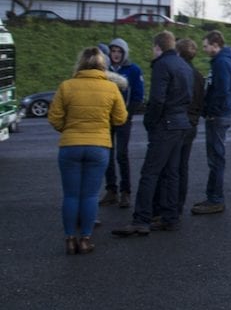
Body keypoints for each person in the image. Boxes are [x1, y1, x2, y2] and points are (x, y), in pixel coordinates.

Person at [49, 47, 128, 254]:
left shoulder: (66, 86)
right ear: (102, 64)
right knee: (91, 195)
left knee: (71, 195)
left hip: (70, 146)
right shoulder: (111, 88)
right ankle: (85, 239)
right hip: (99, 146)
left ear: (80, 63)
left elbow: (54, 117)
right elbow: (121, 118)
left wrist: (67, 129)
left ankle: (69, 239)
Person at [112, 31, 192, 236]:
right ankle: (170, 217)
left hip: (165, 124)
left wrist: (150, 121)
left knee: (150, 173)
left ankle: (141, 219)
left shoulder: (161, 65)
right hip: (181, 123)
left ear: (158, 47)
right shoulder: (184, 65)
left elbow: (157, 99)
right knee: (172, 173)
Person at [152, 38, 204, 225]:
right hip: (192, 124)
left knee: (168, 168)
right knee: (182, 168)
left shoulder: (180, 72)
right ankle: (178, 206)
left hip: (176, 122)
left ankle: (165, 208)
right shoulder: (198, 75)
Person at [192, 30, 231, 215]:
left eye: (206, 45)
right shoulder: (223, 61)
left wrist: (211, 112)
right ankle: (212, 197)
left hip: (218, 116)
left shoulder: (221, 63)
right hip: (220, 115)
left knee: (216, 158)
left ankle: (215, 199)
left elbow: (221, 90)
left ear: (215, 44)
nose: (204, 49)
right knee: (215, 158)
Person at [98, 37, 144, 209]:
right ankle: (111, 190)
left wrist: (127, 114)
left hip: (123, 118)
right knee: (106, 155)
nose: (116, 54)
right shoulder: (103, 69)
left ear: (124, 53)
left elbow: (138, 95)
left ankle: (126, 191)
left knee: (121, 154)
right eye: (113, 51)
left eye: (119, 51)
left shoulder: (133, 70)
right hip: (105, 118)